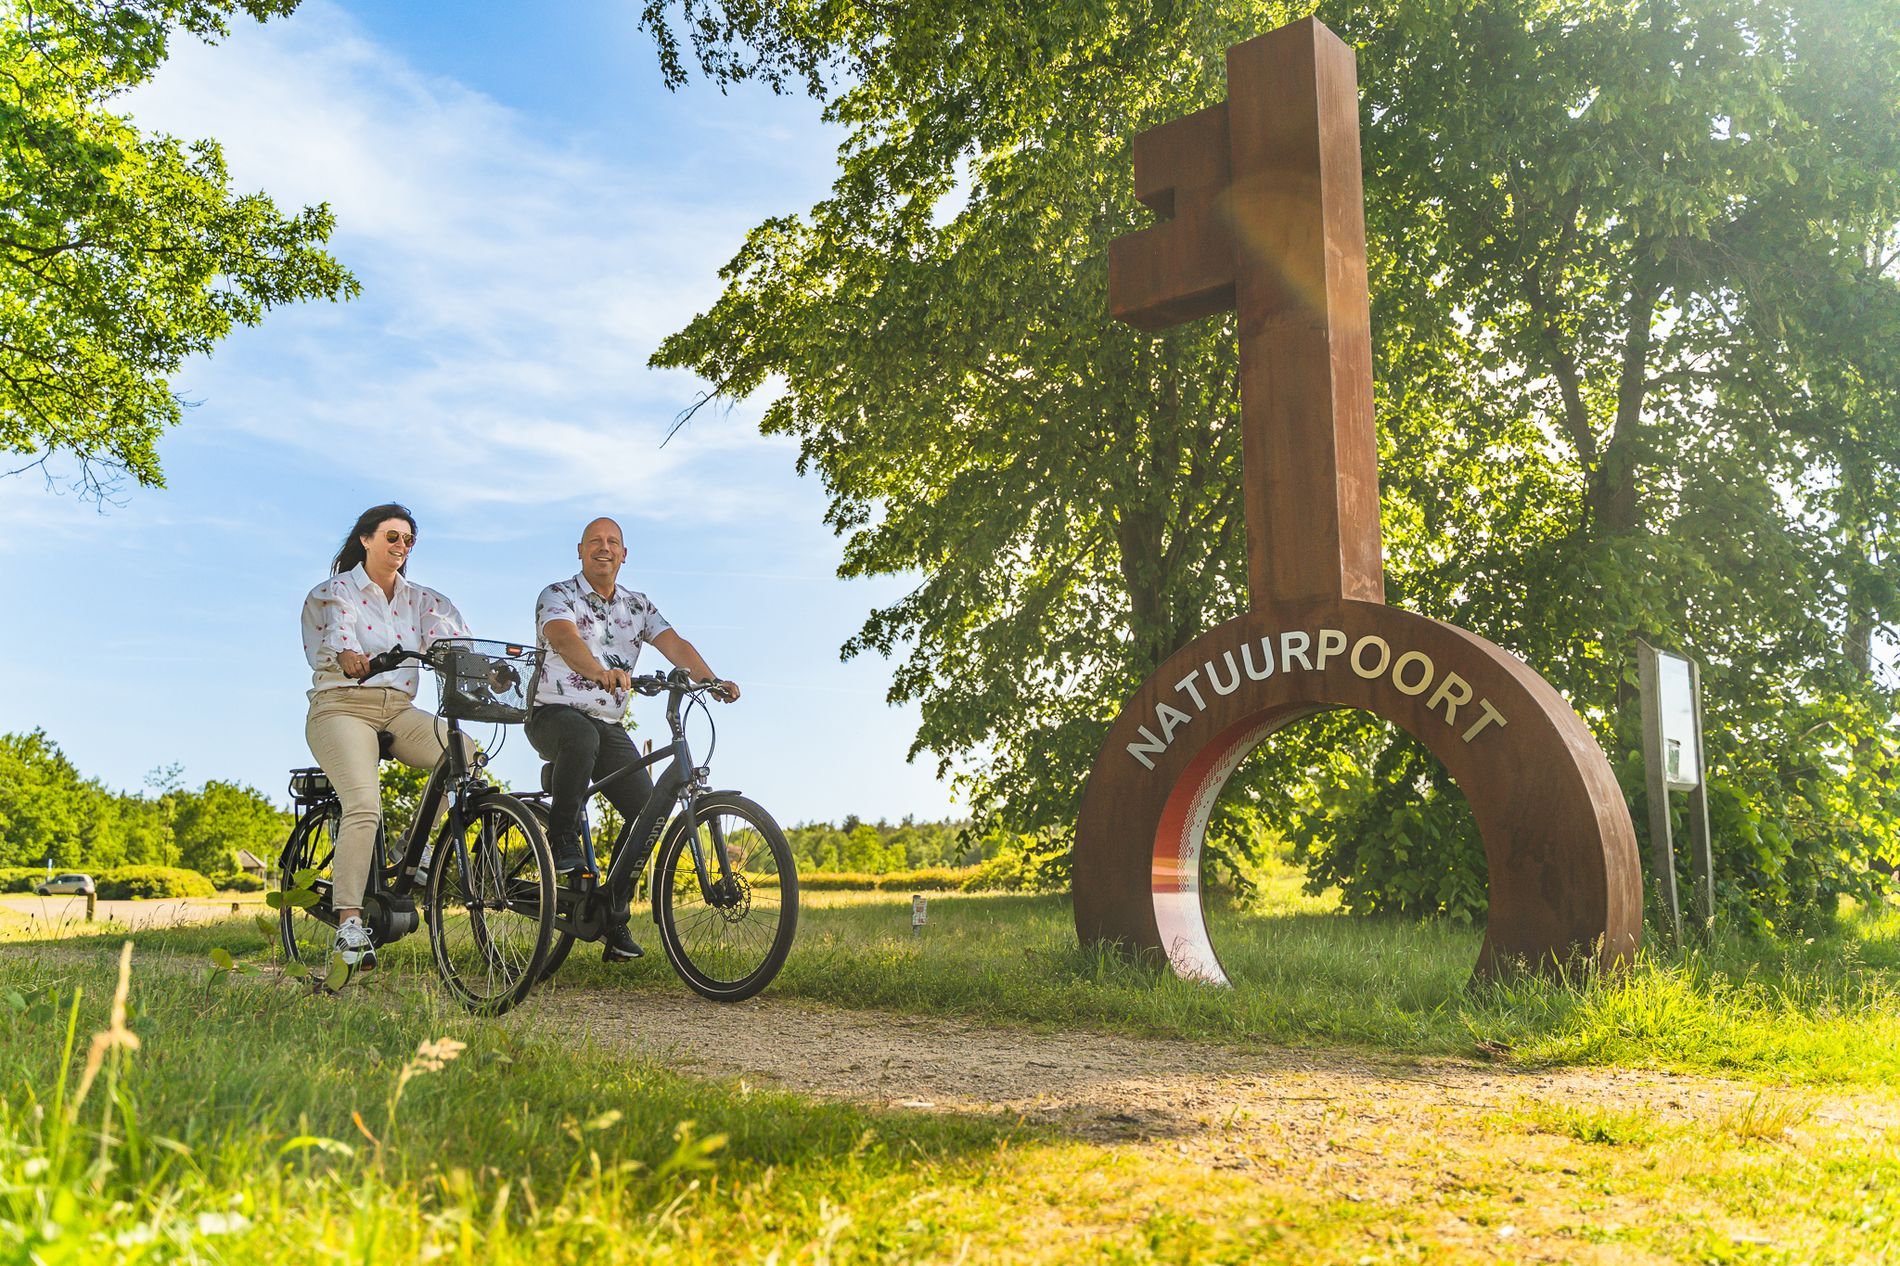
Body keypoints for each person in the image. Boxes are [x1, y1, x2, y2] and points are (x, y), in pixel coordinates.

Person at [526, 516, 739, 961]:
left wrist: (711, 680)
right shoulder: (558, 595)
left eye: (613, 543)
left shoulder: (637, 605)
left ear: (625, 554)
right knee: (580, 737)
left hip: (608, 724)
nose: (604, 548)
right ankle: (562, 838)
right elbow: (563, 638)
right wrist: (599, 671)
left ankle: (610, 913)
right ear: (580, 551)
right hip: (553, 714)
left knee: (648, 813)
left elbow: (673, 643)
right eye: (595, 542)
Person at [300, 503, 469, 971]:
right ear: (366, 539)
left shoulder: (422, 599)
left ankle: (412, 846)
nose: (400, 547)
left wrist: (482, 668)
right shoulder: (337, 591)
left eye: (408, 540)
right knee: (364, 805)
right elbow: (338, 632)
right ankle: (350, 923)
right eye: (391, 537)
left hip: (398, 709)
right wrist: (349, 654)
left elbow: (450, 638)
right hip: (341, 705)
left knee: (462, 752)